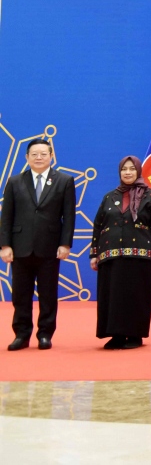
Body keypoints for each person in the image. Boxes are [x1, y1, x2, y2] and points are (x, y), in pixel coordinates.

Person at [0, 138, 77, 351]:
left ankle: (45, 334)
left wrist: (65, 244)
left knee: (48, 294)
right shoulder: (15, 181)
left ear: (51, 156)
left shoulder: (64, 181)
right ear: (26, 157)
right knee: (20, 295)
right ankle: (21, 335)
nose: (39, 157)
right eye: (34, 154)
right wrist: (5, 245)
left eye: (43, 154)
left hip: (50, 247)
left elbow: (69, 216)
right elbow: (6, 216)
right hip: (20, 247)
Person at [89, 156, 151, 349]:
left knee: (135, 294)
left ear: (138, 171)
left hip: (140, 256)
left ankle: (134, 335)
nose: (128, 172)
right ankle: (115, 334)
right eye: (124, 169)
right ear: (119, 172)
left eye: (132, 169)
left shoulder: (149, 196)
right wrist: (94, 253)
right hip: (110, 255)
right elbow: (98, 226)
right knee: (112, 295)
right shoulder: (109, 197)